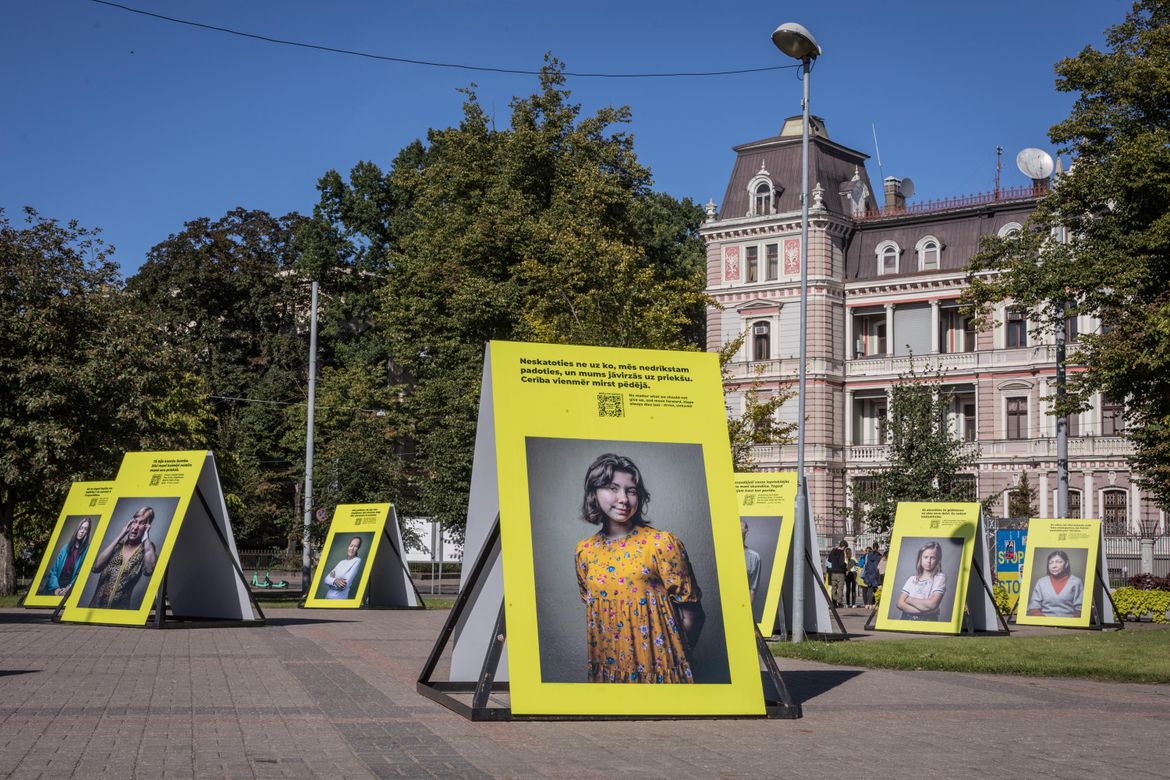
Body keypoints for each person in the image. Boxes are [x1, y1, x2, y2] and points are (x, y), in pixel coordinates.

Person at [574, 453, 703, 683]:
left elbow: (694, 615)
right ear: (594, 492)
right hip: (609, 673)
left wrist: (671, 659)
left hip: (661, 670)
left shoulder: (662, 544)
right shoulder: (585, 551)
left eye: (631, 490)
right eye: (612, 488)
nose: (623, 498)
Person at [86, 507, 158, 610]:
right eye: (134, 522)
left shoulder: (146, 549)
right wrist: (120, 535)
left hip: (120, 611)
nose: (135, 527)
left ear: (147, 526)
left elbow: (149, 570)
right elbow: (96, 567)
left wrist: (146, 537)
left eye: (141, 523)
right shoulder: (116, 546)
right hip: (95, 607)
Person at [895, 541, 946, 621]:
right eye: (925, 557)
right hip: (906, 619)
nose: (928, 561)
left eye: (933, 557)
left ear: (938, 560)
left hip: (927, 621)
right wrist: (924, 610)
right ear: (920, 558)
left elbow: (933, 604)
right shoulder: (912, 579)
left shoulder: (939, 578)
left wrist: (909, 599)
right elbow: (900, 604)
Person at [1026, 550, 1084, 618]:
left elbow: (1080, 610)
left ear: (1066, 563)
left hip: (1068, 624)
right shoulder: (1041, 582)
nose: (1054, 566)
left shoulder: (1076, 582)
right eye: (1051, 563)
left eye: (1059, 562)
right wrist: (1045, 623)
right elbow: (1034, 608)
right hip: (1044, 624)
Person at [43, 518, 92, 596]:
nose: (82, 531)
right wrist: (56, 588)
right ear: (77, 529)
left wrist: (69, 587)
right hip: (55, 585)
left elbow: (81, 573)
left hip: (70, 587)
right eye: (81, 528)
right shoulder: (65, 548)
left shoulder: (87, 550)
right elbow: (54, 571)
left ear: (87, 532)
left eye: (86, 529)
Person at [742, 520, 762, 605]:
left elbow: (752, 590)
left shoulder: (754, 558)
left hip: (742, 607)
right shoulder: (723, 554)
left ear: (746, 533)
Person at [827, 541, 846, 607]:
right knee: (840, 588)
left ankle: (834, 602)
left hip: (832, 573)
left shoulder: (832, 551)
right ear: (843, 547)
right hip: (840, 573)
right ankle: (839, 602)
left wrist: (829, 571)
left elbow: (829, 561)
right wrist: (845, 566)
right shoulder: (841, 553)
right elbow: (841, 563)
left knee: (834, 588)